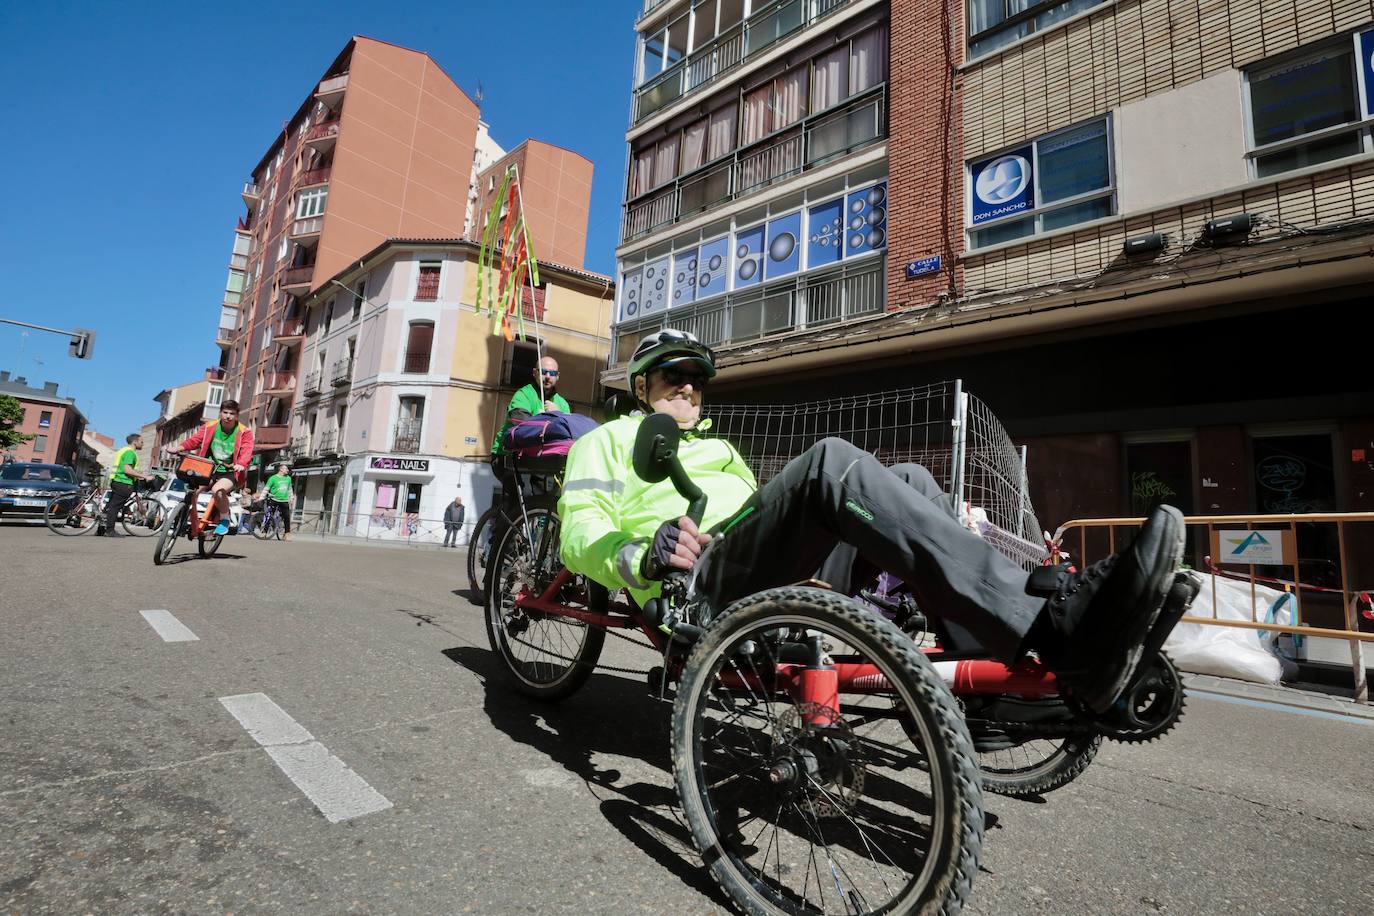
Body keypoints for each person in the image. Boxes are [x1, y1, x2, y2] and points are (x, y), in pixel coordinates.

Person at [559, 329, 1188, 714]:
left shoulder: (720, 450)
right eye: (674, 378)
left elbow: (761, 516)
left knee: (912, 476)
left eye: (698, 383)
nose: (689, 392)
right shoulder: (609, 441)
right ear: (642, 386)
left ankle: (990, 673)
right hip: (692, 585)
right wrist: (640, 552)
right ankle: (1054, 630)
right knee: (832, 463)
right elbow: (577, 531)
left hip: (755, 561)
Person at [166, 400, 255, 537]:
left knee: (218, 491)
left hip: (231, 471)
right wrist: (179, 448)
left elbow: (247, 450)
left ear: (237, 416)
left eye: (232, 413)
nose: (228, 416)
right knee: (193, 491)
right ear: (220, 412)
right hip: (209, 468)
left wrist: (241, 464)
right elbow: (195, 440)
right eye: (225, 412)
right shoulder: (210, 426)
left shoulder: (244, 432)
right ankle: (184, 521)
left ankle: (225, 519)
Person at [100, 433, 149, 537]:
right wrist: (145, 477)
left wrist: (139, 474)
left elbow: (125, 468)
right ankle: (110, 531)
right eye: (141, 442)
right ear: (135, 442)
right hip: (124, 482)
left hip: (117, 480)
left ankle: (101, 529)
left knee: (110, 507)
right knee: (115, 507)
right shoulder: (130, 453)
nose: (143, 444)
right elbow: (127, 470)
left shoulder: (123, 450)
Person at [262, 463, 294, 540]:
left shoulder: (288, 478)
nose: (287, 470)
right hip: (274, 499)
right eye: (286, 469)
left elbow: (289, 489)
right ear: (281, 469)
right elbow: (266, 488)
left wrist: (291, 497)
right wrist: (261, 497)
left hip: (284, 500)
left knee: (287, 517)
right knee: (269, 515)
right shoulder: (273, 478)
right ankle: (264, 532)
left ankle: (287, 534)